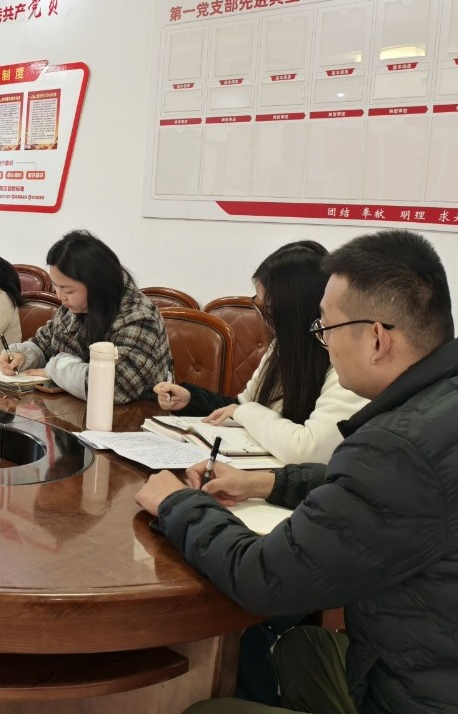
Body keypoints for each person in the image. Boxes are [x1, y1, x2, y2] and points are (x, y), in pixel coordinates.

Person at [136, 229, 458, 714]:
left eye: (326, 327)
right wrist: (265, 482)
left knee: (209, 709)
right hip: (419, 655)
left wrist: (177, 503)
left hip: (415, 692)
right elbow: (368, 488)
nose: (322, 341)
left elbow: (263, 576)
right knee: (300, 649)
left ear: (376, 338)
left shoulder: (396, 446)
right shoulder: (435, 406)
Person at [154, 241, 368, 464]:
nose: (262, 320)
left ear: (294, 312)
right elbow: (242, 405)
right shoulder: (283, 348)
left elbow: (308, 449)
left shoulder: (345, 365)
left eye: (267, 311)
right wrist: (190, 399)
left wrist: (246, 412)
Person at [0, 230, 170, 403]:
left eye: (68, 290)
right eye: (56, 286)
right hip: (71, 408)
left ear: (96, 284)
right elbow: (43, 344)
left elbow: (112, 387)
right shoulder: (75, 306)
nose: (60, 296)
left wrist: (56, 368)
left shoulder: (139, 318)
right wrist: (22, 356)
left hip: (133, 415)